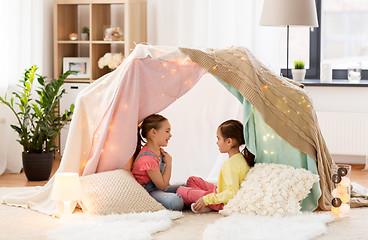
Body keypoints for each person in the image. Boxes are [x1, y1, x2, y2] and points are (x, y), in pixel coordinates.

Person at [177, 120, 255, 213]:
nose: (217, 143)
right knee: (192, 180)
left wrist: (207, 199)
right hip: (219, 192)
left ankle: (207, 204)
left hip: (223, 202)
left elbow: (232, 193)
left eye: (218, 139)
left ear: (229, 141)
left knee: (181, 191)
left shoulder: (230, 164)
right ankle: (203, 201)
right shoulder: (241, 158)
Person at [131, 114, 184, 211]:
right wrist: (169, 163)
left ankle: (198, 198)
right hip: (149, 192)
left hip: (157, 189)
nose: (170, 135)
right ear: (153, 132)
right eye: (167, 131)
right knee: (176, 201)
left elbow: (164, 186)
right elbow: (163, 186)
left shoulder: (159, 152)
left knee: (185, 186)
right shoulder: (147, 159)